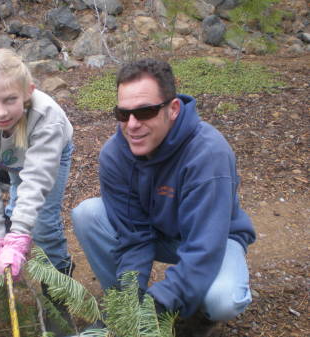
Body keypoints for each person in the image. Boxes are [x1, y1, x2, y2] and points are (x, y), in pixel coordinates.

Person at [72, 58, 256, 336]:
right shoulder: (115, 154)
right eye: (123, 114)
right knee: (87, 214)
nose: (132, 125)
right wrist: (134, 300)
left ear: (172, 109)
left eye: (144, 112)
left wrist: (160, 302)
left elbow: (204, 248)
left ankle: (198, 316)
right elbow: (134, 238)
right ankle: (123, 306)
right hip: (159, 234)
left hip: (216, 239)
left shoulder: (208, 153)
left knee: (224, 300)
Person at [0, 47, 74, 282]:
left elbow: (37, 179)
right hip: (10, 157)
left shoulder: (46, 117)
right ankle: (11, 255)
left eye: (10, 99)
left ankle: (59, 283)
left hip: (51, 155)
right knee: (15, 204)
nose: (0, 112)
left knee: (43, 223)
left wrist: (19, 235)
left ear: (27, 92)